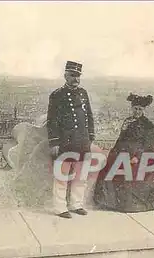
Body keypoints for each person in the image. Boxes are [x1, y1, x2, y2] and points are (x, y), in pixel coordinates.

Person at [93, 93, 154, 213]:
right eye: (135, 108)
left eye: (140, 109)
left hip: (141, 156)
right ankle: (110, 203)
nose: (137, 111)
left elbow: (148, 144)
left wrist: (137, 157)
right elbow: (122, 138)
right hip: (124, 152)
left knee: (131, 176)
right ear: (132, 109)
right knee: (108, 170)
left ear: (143, 110)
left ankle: (130, 205)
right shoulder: (127, 121)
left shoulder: (148, 125)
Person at [46, 61, 95, 219]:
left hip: (82, 141)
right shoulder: (57, 95)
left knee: (81, 175)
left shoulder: (83, 93)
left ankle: (76, 204)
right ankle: (60, 207)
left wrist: (90, 136)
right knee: (62, 176)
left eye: (78, 76)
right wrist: (54, 142)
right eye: (73, 75)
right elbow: (52, 120)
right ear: (65, 75)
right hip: (65, 142)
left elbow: (89, 116)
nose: (76, 79)